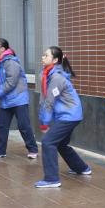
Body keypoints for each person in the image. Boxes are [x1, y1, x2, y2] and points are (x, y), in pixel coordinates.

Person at [36, 46, 90, 187]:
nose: (43, 57)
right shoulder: (48, 74)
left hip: (69, 115)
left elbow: (49, 101)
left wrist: (44, 123)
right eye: (43, 55)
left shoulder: (56, 78)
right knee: (61, 143)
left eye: (46, 55)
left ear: (55, 60)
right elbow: (45, 99)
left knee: (48, 142)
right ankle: (82, 168)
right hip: (68, 115)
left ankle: (51, 179)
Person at [0, 38, 38, 160]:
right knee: (2, 126)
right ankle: (0, 151)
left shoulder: (10, 62)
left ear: (2, 49)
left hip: (18, 99)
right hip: (6, 99)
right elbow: (0, 81)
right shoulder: (0, 63)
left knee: (23, 125)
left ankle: (33, 149)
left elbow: (11, 82)